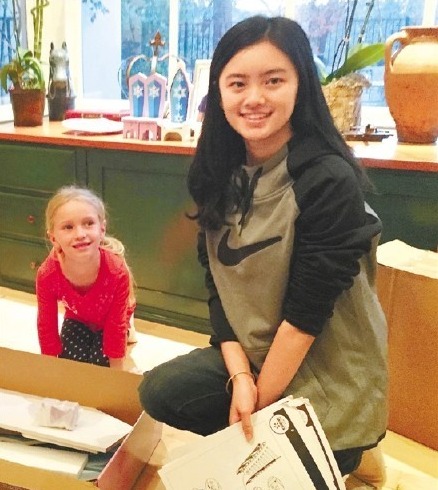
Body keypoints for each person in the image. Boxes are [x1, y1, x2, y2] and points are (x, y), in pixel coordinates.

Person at [138, 15, 388, 484]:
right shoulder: (219, 171)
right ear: (219, 92)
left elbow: (305, 318)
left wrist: (259, 408)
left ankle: (355, 448)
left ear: (301, 85)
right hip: (256, 359)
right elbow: (217, 285)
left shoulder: (326, 179)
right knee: (160, 391)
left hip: (325, 372)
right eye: (237, 83)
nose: (253, 98)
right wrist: (240, 381)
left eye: (273, 81)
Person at [36, 185, 136, 369]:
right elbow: (46, 324)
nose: (80, 234)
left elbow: (115, 326)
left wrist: (117, 372)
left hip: (110, 319)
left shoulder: (117, 272)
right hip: (78, 317)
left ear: (102, 229)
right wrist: (50, 369)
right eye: (68, 227)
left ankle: (130, 324)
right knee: (71, 362)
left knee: (101, 363)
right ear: (53, 238)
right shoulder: (47, 274)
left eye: (89, 223)